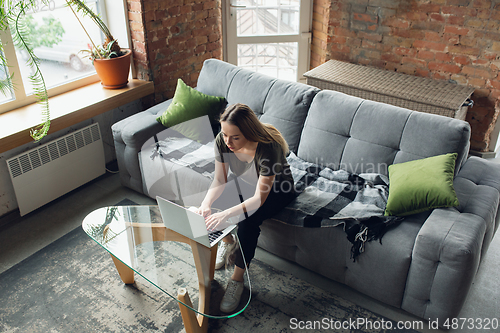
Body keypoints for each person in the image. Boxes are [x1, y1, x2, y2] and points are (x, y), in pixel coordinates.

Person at [196, 103, 296, 313]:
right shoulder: (223, 141)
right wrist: (206, 204)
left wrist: (228, 213)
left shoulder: (269, 148)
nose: (228, 142)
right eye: (224, 135)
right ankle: (227, 241)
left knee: (248, 220)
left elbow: (259, 198)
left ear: (249, 133)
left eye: (235, 137)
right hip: (248, 183)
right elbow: (219, 180)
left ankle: (237, 280)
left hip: (278, 190)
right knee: (215, 202)